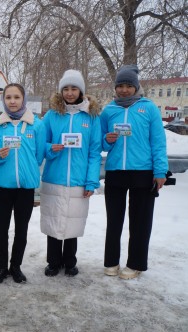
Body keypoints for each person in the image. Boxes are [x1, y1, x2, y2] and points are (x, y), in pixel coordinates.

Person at [101, 65, 168, 280]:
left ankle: (135, 264)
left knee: (140, 222)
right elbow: (100, 142)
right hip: (115, 172)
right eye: (120, 85)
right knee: (114, 220)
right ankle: (111, 261)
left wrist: (160, 171)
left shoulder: (148, 108)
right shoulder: (109, 110)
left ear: (136, 87)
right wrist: (107, 140)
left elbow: (158, 142)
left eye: (129, 85)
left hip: (143, 172)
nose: (124, 90)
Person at [39, 70, 102, 277]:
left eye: (74, 88)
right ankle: (53, 262)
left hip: (78, 179)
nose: (69, 92)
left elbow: (94, 152)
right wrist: (51, 148)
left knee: (73, 222)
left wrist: (91, 181)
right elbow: (42, 144)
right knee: (54, 221)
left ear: (81, 90)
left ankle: (70, 261)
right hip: (54, 176)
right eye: (65, 88)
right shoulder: (51, 116)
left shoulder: (91, 118)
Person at [0, 83, 46, 284]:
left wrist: (27, 170)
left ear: (23, 99)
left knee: (22, 230)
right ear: (4, 101)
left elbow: (39, 155)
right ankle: (1, 268)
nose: (12, 101)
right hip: (3, 186)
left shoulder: (36, 124)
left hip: (26, 188)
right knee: (1, 230)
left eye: (16, 97)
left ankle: (16, 267)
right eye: (8, 97)